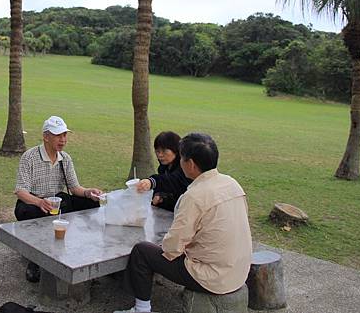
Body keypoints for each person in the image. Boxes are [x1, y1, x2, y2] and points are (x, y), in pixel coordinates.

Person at [113, 133, 252, 313]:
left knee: (142, 251)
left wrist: (162, 244)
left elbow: (172, 248)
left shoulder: (194, 196)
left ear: (191, 164)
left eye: (182, 157)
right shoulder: (232, 183)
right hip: (239, 270)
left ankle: (141, 309)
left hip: (212, 278)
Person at [14, 115, 103, 282]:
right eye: (58, 135)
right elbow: (20, 191)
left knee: (92, 202)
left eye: (64, 135)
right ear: (46, 137)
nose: (63, 140)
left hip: (57, 201)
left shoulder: (65, 158)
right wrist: (40, 202)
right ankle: (36, 260)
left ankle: (84, 249)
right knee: (31, 212)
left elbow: (75, 188)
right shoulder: (29, 157)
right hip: (33, 202)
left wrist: (88, 192)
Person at [135, 131, 191, 211]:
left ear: (176, 150)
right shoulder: (164, 167)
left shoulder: (184, 167)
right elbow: (165, 187)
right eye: (157, 151)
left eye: (164, 151)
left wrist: (152, 182)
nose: (160, 155)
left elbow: (172, 181)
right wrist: (160, 196)